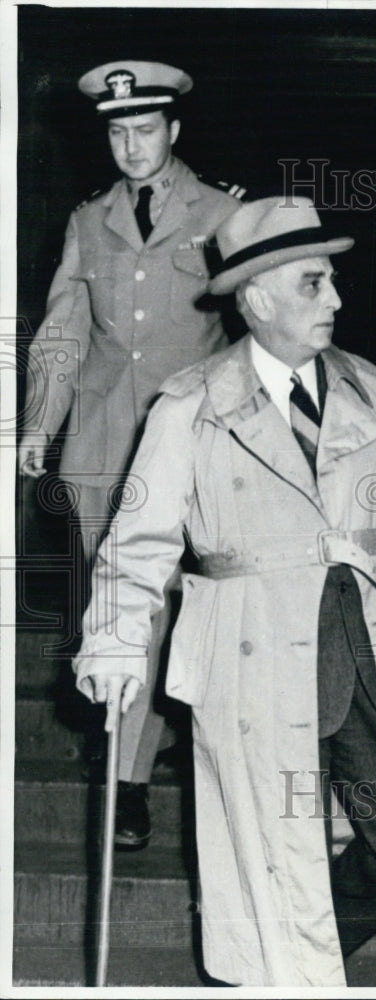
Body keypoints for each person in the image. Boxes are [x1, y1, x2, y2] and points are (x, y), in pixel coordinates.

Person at [72, 196, 376, 986]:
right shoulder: (191, 405)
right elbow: (138, 540)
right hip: (251, 658)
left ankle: (307, 961)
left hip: (369, 657)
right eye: (314, 284)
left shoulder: (368, 391)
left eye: (333, 281)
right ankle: (293, 978)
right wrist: (112, 642)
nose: (337, 300)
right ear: (256, 298)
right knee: (273, 851)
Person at [17, 60, 245, 849]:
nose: (132, 146)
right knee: (115, 614)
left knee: (180, 613)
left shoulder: (223, 214)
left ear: (173, 131)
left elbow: (257, 329)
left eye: (145, 130)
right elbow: (61, 332)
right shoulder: (88, 222)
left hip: (196, 446)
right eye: (118, 132)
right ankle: (126, 762)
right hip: (105, 444)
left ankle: (145, 765)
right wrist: (38, 428)